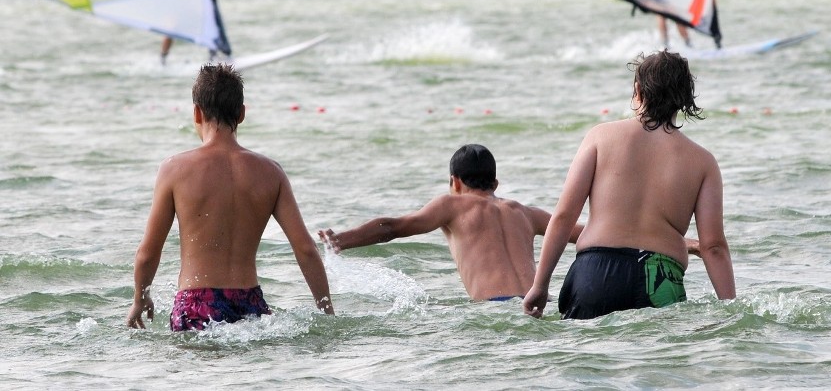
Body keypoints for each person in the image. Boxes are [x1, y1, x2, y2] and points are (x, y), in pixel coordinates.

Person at [523, 50, 735, 320]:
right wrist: (731, 310)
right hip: (660, 279)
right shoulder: (703, 162)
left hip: (595, 275)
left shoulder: (600, 137)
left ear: (638, 91)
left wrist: (540, 286)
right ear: (684, 98)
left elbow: (564, 215)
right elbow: (713, 246)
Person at [126, 63, 334, 331]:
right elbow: (305, 249)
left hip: (196, 304)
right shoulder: (271, 172)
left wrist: (140, 299)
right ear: (242, 113)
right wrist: (327, 312)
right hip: (252, 305)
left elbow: (147, 252)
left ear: (197, 113)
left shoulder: (174, 170)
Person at [319, 144, 584, 301]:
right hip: (537, 304)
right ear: (495, 184)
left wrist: (339, 241)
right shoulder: (526, 212)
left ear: (454, 182)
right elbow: (586, 235)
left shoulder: (451, 204)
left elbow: (392, 228)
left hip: (495, 310)